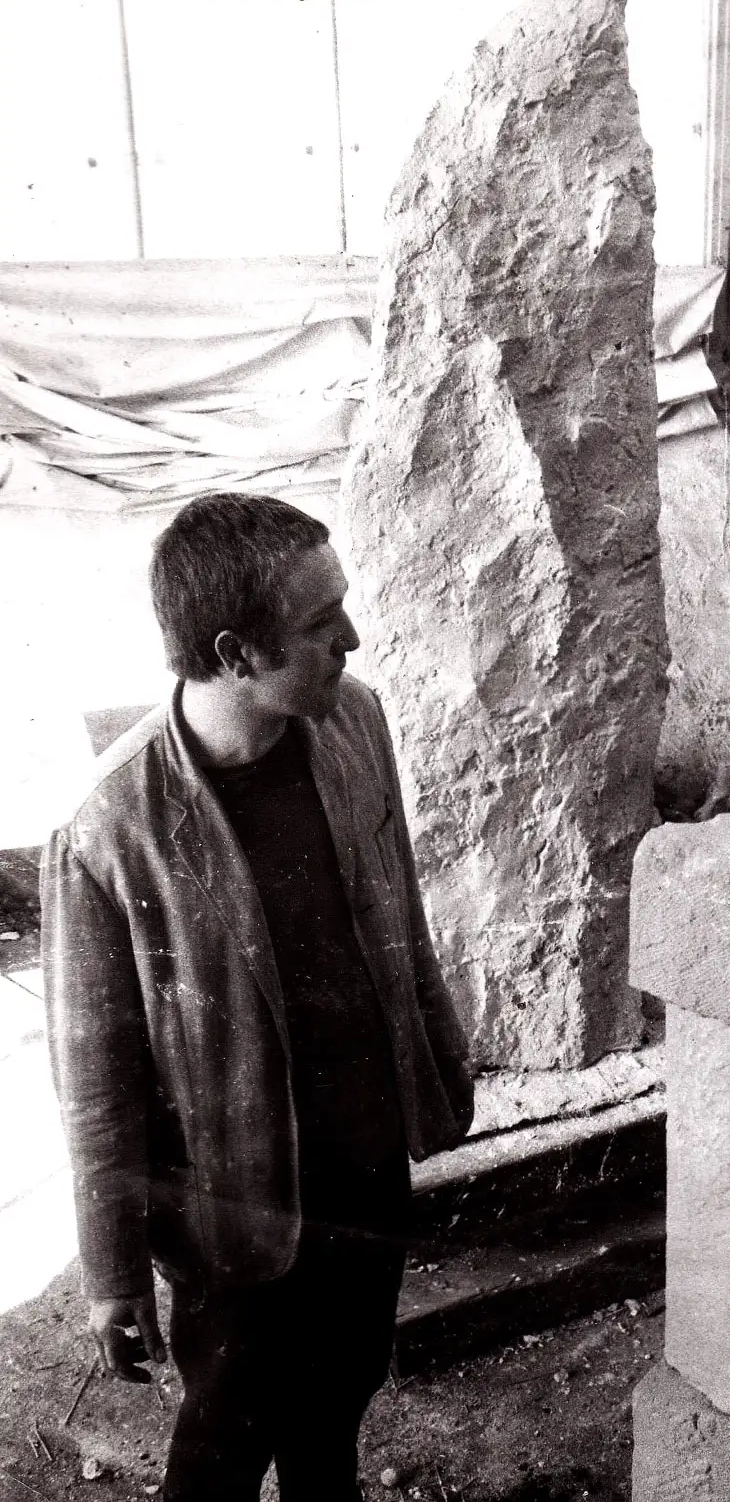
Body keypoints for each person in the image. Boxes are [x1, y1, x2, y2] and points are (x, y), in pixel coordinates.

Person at [41, 492, 474, 1502]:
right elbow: (95, 1081)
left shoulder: (353, 722)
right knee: (227, 1440)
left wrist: (438, 1077)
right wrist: (111, 1274)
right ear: (236, 652)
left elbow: (399, 910)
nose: (352, 643)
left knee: (342, 1395)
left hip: (362, 1166)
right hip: (232, 1203)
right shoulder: (112, 829)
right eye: (324, 628)